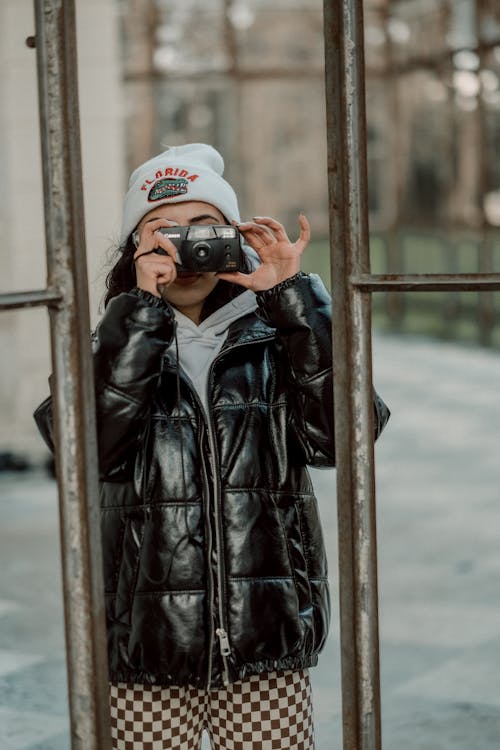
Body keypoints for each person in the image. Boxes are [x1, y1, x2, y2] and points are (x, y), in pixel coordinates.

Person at [35, 143, 389, 750]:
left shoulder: (276, 337)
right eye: (163, 232)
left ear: (236, 235)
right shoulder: (104, 348)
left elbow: (347, 438)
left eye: (206, 229)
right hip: (144, 647)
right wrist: (141, 314)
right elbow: (87, 452)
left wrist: (293, 300)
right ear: (136, 251)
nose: (187, 247)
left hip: (266, 642)